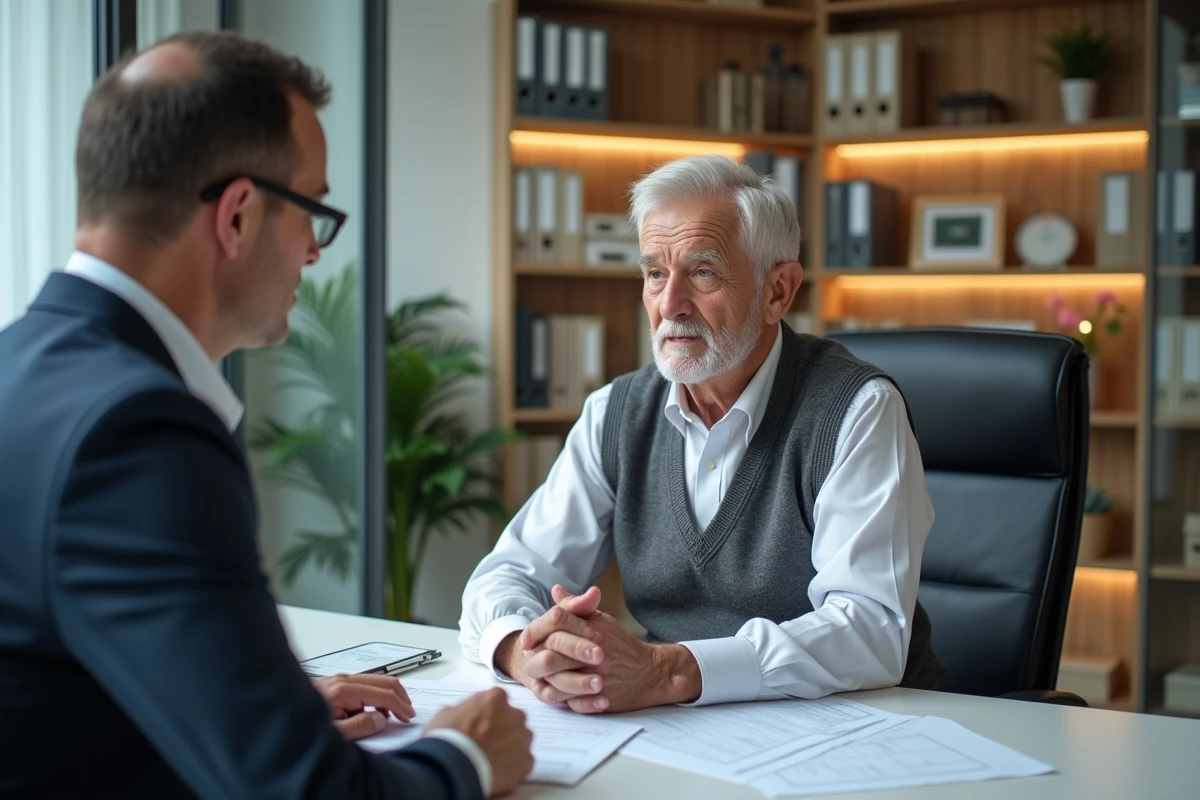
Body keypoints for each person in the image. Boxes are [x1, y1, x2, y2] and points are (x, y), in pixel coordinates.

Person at [0, 31, 532, 799]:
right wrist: (465, 756)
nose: (315, 254)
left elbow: (47, 685)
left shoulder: (21, 367)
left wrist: (240, 709)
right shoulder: (138, 433)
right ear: (240, 214)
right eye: (312, 210)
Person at [460, 155, 944, 715]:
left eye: (703, 272)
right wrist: (527, 651)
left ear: (778, 292)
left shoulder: (856, 410)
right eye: (655, 273)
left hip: (860, 728)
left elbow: (870, 630)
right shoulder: (614, 413)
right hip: (682, 728)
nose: (669, 305)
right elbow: (510, 572)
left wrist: (668, 671)